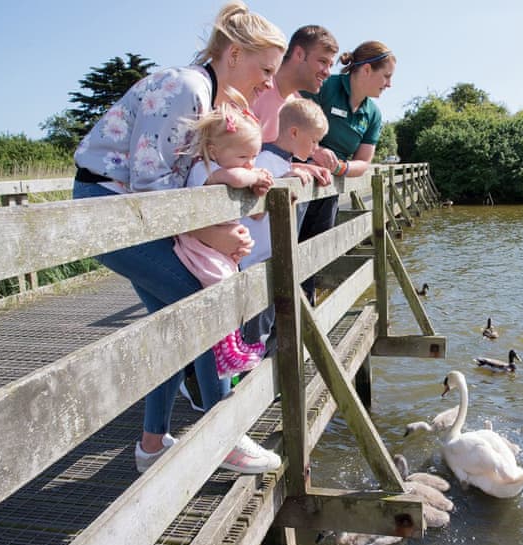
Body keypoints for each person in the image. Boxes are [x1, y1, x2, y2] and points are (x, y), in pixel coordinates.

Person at [71, 1, 287, 475]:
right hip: (108, 208)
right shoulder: (187, 87)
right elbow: (154, 188)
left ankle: (152, 444)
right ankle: (225, 435)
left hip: (126, 209)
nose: (270, 82)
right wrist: (216, 234)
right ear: (234, 53)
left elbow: (176, 182)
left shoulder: (207, 92)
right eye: (266, 69)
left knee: (175, 323)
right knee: (206, 308)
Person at [174, 95, 274, 378]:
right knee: (223, 287)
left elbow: (253, 210)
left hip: (214, 246)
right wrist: (255, 177)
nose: (250, 164)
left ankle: (231, 348)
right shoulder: (203, 170)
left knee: (230, 286)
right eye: (244, 157)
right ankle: (224, 354)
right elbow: (238, 179)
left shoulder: (223, 167)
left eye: (254, 157)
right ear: (213, 149)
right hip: (199, 246)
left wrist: (254, 178)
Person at [299, 41, 396, 302]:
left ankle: (304, 315)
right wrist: (313, 150)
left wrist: (339, 167)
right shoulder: (326, 87)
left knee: (315, 254)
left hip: (329, 190)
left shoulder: (373, 114)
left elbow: (363, 161)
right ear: (366, 70)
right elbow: (288, 119)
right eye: (386, 76)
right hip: (298, 183)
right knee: (286, 251)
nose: (389, 84)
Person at [239, 98, 330, 353]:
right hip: (256, 264)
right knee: (254, 334)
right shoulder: (265, 161)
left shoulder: (284, 163)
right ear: (294, 132)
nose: (315, 148)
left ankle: (258, 383)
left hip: (274, 263)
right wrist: (281, 184)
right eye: (313, 141)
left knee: (268, 328)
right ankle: (244, 384)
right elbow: (253, 214)